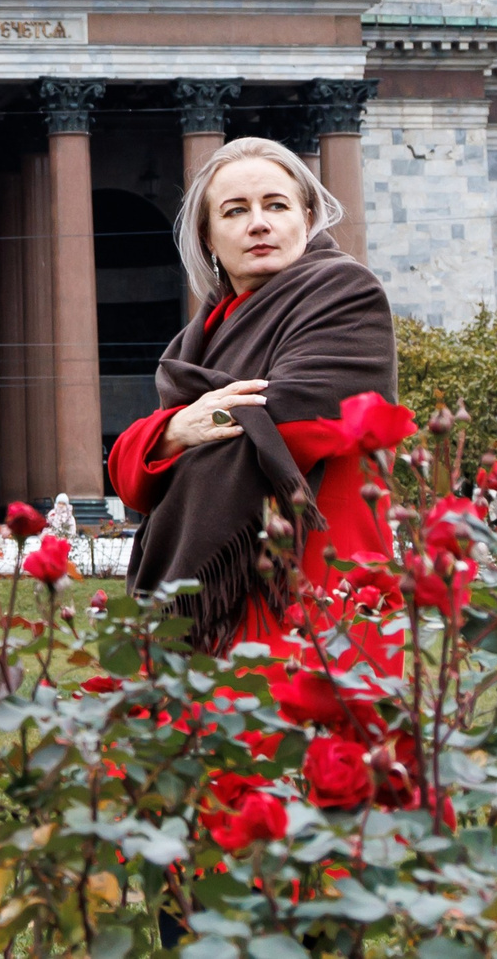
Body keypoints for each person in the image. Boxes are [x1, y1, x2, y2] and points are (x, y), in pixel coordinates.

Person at [108, 137, 396, 652]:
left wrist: (179, 435)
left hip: (315, 595)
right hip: (223, 602)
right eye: (235, 211)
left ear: (307, 219)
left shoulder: (347, 294)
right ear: (209, 238)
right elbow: (131, 480)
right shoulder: (194, 342)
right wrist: (175, 429)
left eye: (276, 206)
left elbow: (290, 425)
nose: (258, 223)